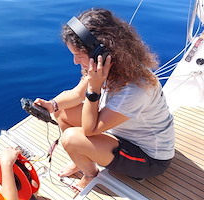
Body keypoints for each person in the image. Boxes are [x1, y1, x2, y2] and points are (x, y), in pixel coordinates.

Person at [34, 8, 175, 192]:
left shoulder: (136, 88)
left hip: (149, 158)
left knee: (71, 139)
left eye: (79, 55)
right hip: (121, 133)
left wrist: (94, 89)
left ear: (100, 53)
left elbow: (89, 130)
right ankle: (83, 157)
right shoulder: (104, 67)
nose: (75, 62)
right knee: (61, 111)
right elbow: (76, 95)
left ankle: (90, 174)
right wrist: (52, 104)